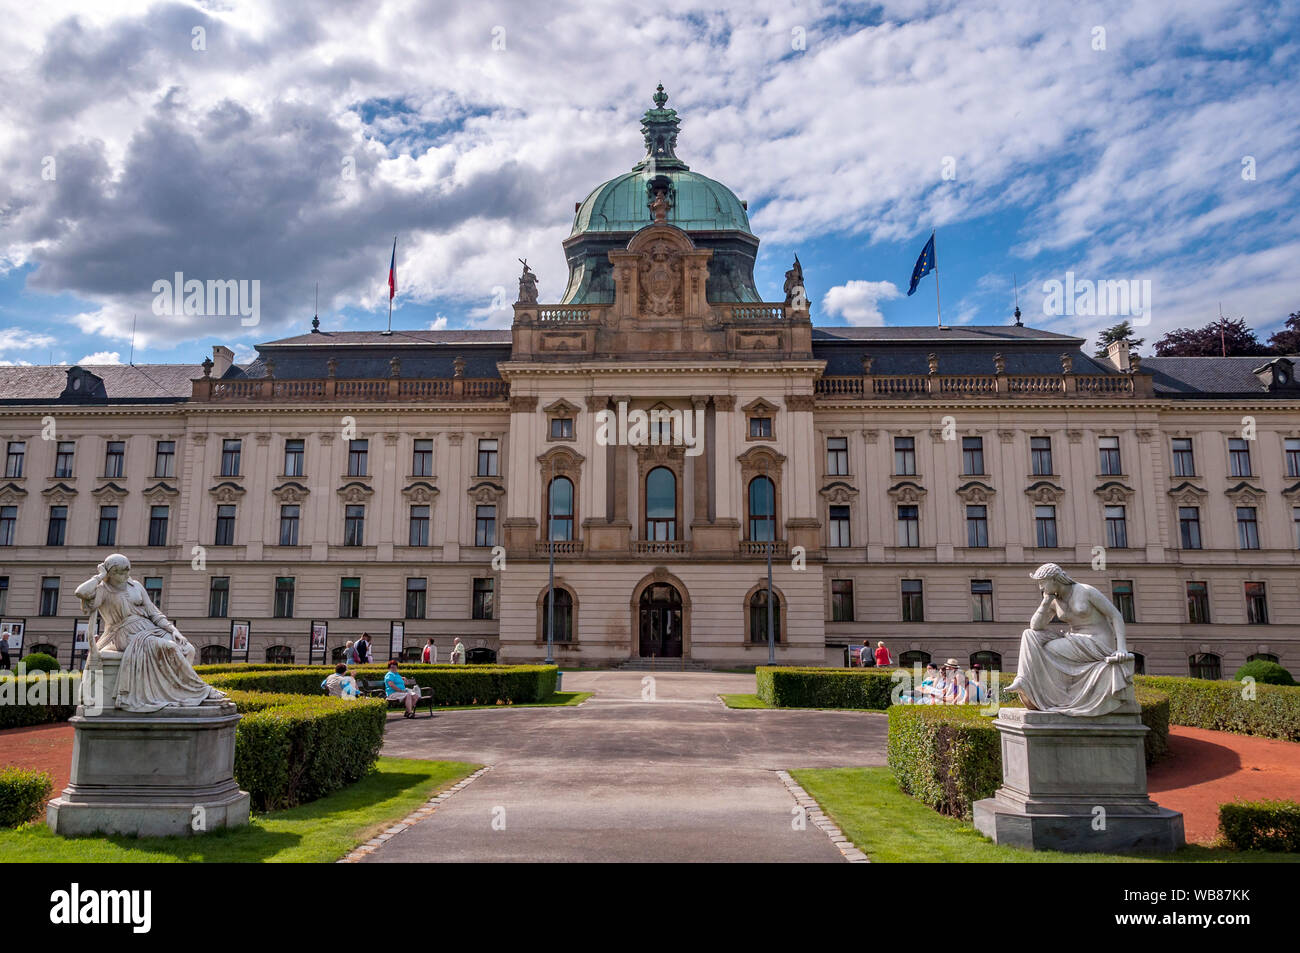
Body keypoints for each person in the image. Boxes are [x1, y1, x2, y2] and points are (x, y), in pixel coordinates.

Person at [74, 554, 225, 712]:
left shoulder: (136, 586)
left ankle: (176, 694)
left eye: (127, 571)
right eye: (120, 572)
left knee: (188, 649)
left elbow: (154, 613)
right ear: (110, 573)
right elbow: (80, 592)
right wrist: (100, 576)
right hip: (125, 634)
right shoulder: (102, 590)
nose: (125, 575)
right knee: (170, 648)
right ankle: (202, 690)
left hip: (149, 628)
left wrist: (174, 630)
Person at [1006, 563, 1137, 717]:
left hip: (1098, 641)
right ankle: (1023, 679)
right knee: (1029, 635)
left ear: (1054, 580)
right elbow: (1035, 626)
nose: (1041, 587)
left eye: (1042, 582)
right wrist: (1046, 601)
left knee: (1049, 649)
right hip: (1075, 639)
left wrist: (1121, 647)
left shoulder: (1085, 591)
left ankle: (1054, 695)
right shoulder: (1054, 600)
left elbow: (1115, 615)